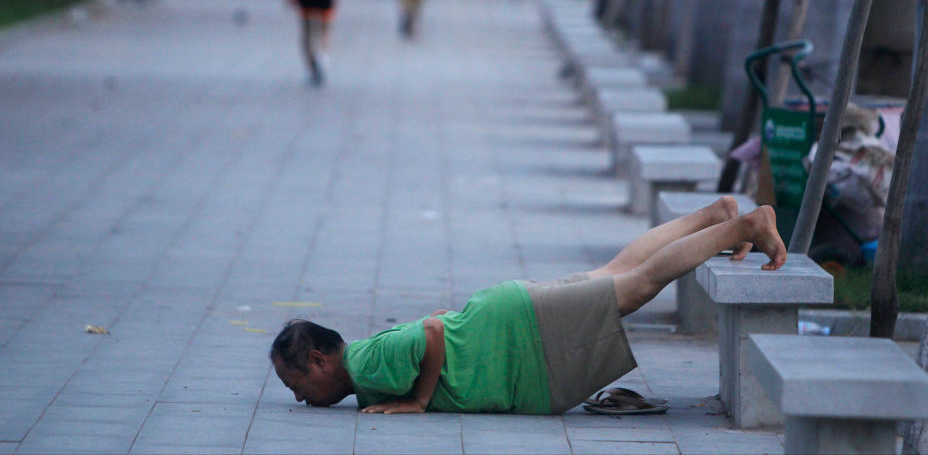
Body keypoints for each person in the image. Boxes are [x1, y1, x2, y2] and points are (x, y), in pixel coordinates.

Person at [270, 198, 787, 415]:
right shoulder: (362, 365)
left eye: (296, 384)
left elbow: (429, 332)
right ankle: (712, 216)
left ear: (319, 360)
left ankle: (745, 225)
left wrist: (418, 402)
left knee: (638, 287)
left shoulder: (363, 364)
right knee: (618, 274)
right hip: (511, 318)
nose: (300, 398)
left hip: (522, 331)